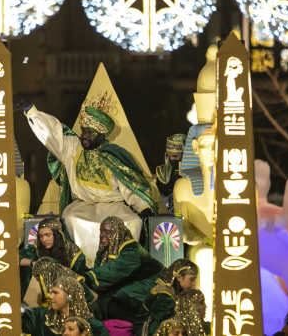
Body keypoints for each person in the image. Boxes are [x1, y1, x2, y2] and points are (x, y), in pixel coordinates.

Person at [15, 96, 159, 260]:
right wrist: (32, 111)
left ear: (102, 136)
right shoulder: (72, 148)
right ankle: (85, 269)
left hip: (114, 206)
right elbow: (52, 133)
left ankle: (120, 268)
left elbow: (130, 187)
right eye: (84, 131)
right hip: (82, 207)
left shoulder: (114, 155)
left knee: (133, 222)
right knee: (73, 219)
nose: (85, 135)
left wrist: (143, 207)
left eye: (91, 133)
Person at [83, 217, 164, 321]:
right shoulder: (104, 252)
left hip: (155, 281)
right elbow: (100, 274)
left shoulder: (132, 249)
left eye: (107, 232)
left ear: (117, 233)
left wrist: (88, 277)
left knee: (122, 295)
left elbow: (116, 269)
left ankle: (144, 322)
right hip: (132, 283)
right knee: (102, 303)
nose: (102, 235)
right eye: (101, 231)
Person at [20, 217, 86, 296]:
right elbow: (18, 258)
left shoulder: (73, 253)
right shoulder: (36, 248)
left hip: (66, 293)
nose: (44, 239)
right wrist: (34, 263)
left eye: (48, 235)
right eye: (41, 236)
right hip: (41, 293)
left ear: (57, 235)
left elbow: (78, 279)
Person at [22, 276, 109, 336]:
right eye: (51, 292)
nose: (50, 296)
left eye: (55, 293)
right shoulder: (40, 316)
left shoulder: (94, 326)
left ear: (69, 296)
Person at [134, 259, 198, 336]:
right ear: (179, 277)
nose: (194, 283)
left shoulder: (177, 293)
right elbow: (168, 322)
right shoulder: (164, 295)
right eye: (191, 279)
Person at [155, 134, 187, 213]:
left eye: (175, 156)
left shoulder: (195, 173)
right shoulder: (161, 173)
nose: (171, 159)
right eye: (169, 156)